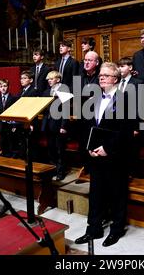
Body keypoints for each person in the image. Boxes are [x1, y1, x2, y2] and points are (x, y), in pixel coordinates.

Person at [75, 62, 135, 247]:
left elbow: (126, 132)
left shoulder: (127, 100)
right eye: (100, 74)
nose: (101, 77)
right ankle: (93, 229)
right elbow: (87, 127)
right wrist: (89, 148)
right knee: (96, 194)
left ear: (115, 79)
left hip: (115, 155)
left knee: (117, 194)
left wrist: (107, 148)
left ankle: (116, 230)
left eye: (106, 75)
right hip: (95, 155)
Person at [41, 71, 70, 181]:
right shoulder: (46, 92)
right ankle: (53, 170)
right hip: (48, 124)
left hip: (58, 125)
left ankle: (61, 172)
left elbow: (66, 110)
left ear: (58, 79)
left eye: (51, 79)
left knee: (60, 150)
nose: (49, 81)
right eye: (48, 79)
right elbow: (44, 111)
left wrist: (64, 126)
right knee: (51, 149)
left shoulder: (64, 91)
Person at [0, 79, 18, 157]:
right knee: (3, 144)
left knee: (12, 144)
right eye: (1, 86)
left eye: (5, 86)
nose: (3, 88)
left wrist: (15, 125)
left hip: (11, 125)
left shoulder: (14, 98)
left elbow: (16, 113)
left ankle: (11, 160)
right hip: (1, 125)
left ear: (9, 87)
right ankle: (5, 158)